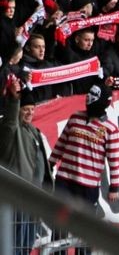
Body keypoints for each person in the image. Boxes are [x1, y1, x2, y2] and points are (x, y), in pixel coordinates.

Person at [49, 84, 119, 213]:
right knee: (60, 222)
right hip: (65, 179)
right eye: (89, 93)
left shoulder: (111, 130)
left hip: (89, 185)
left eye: (94, 95)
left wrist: (114, 187)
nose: (88, 97)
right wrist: (50, 164)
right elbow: (61, 143)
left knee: (84, 225)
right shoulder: (75, 118)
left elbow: (114, 161)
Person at [1, 76, 53, 254]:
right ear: (18, 110)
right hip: (17, 200)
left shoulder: (34, 131)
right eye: (25, 109)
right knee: (15, 246)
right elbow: (10, 120)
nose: (30, 112)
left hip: (33, 200)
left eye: (32, 109)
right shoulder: (10, 130)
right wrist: (14, 100)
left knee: (26, 245)